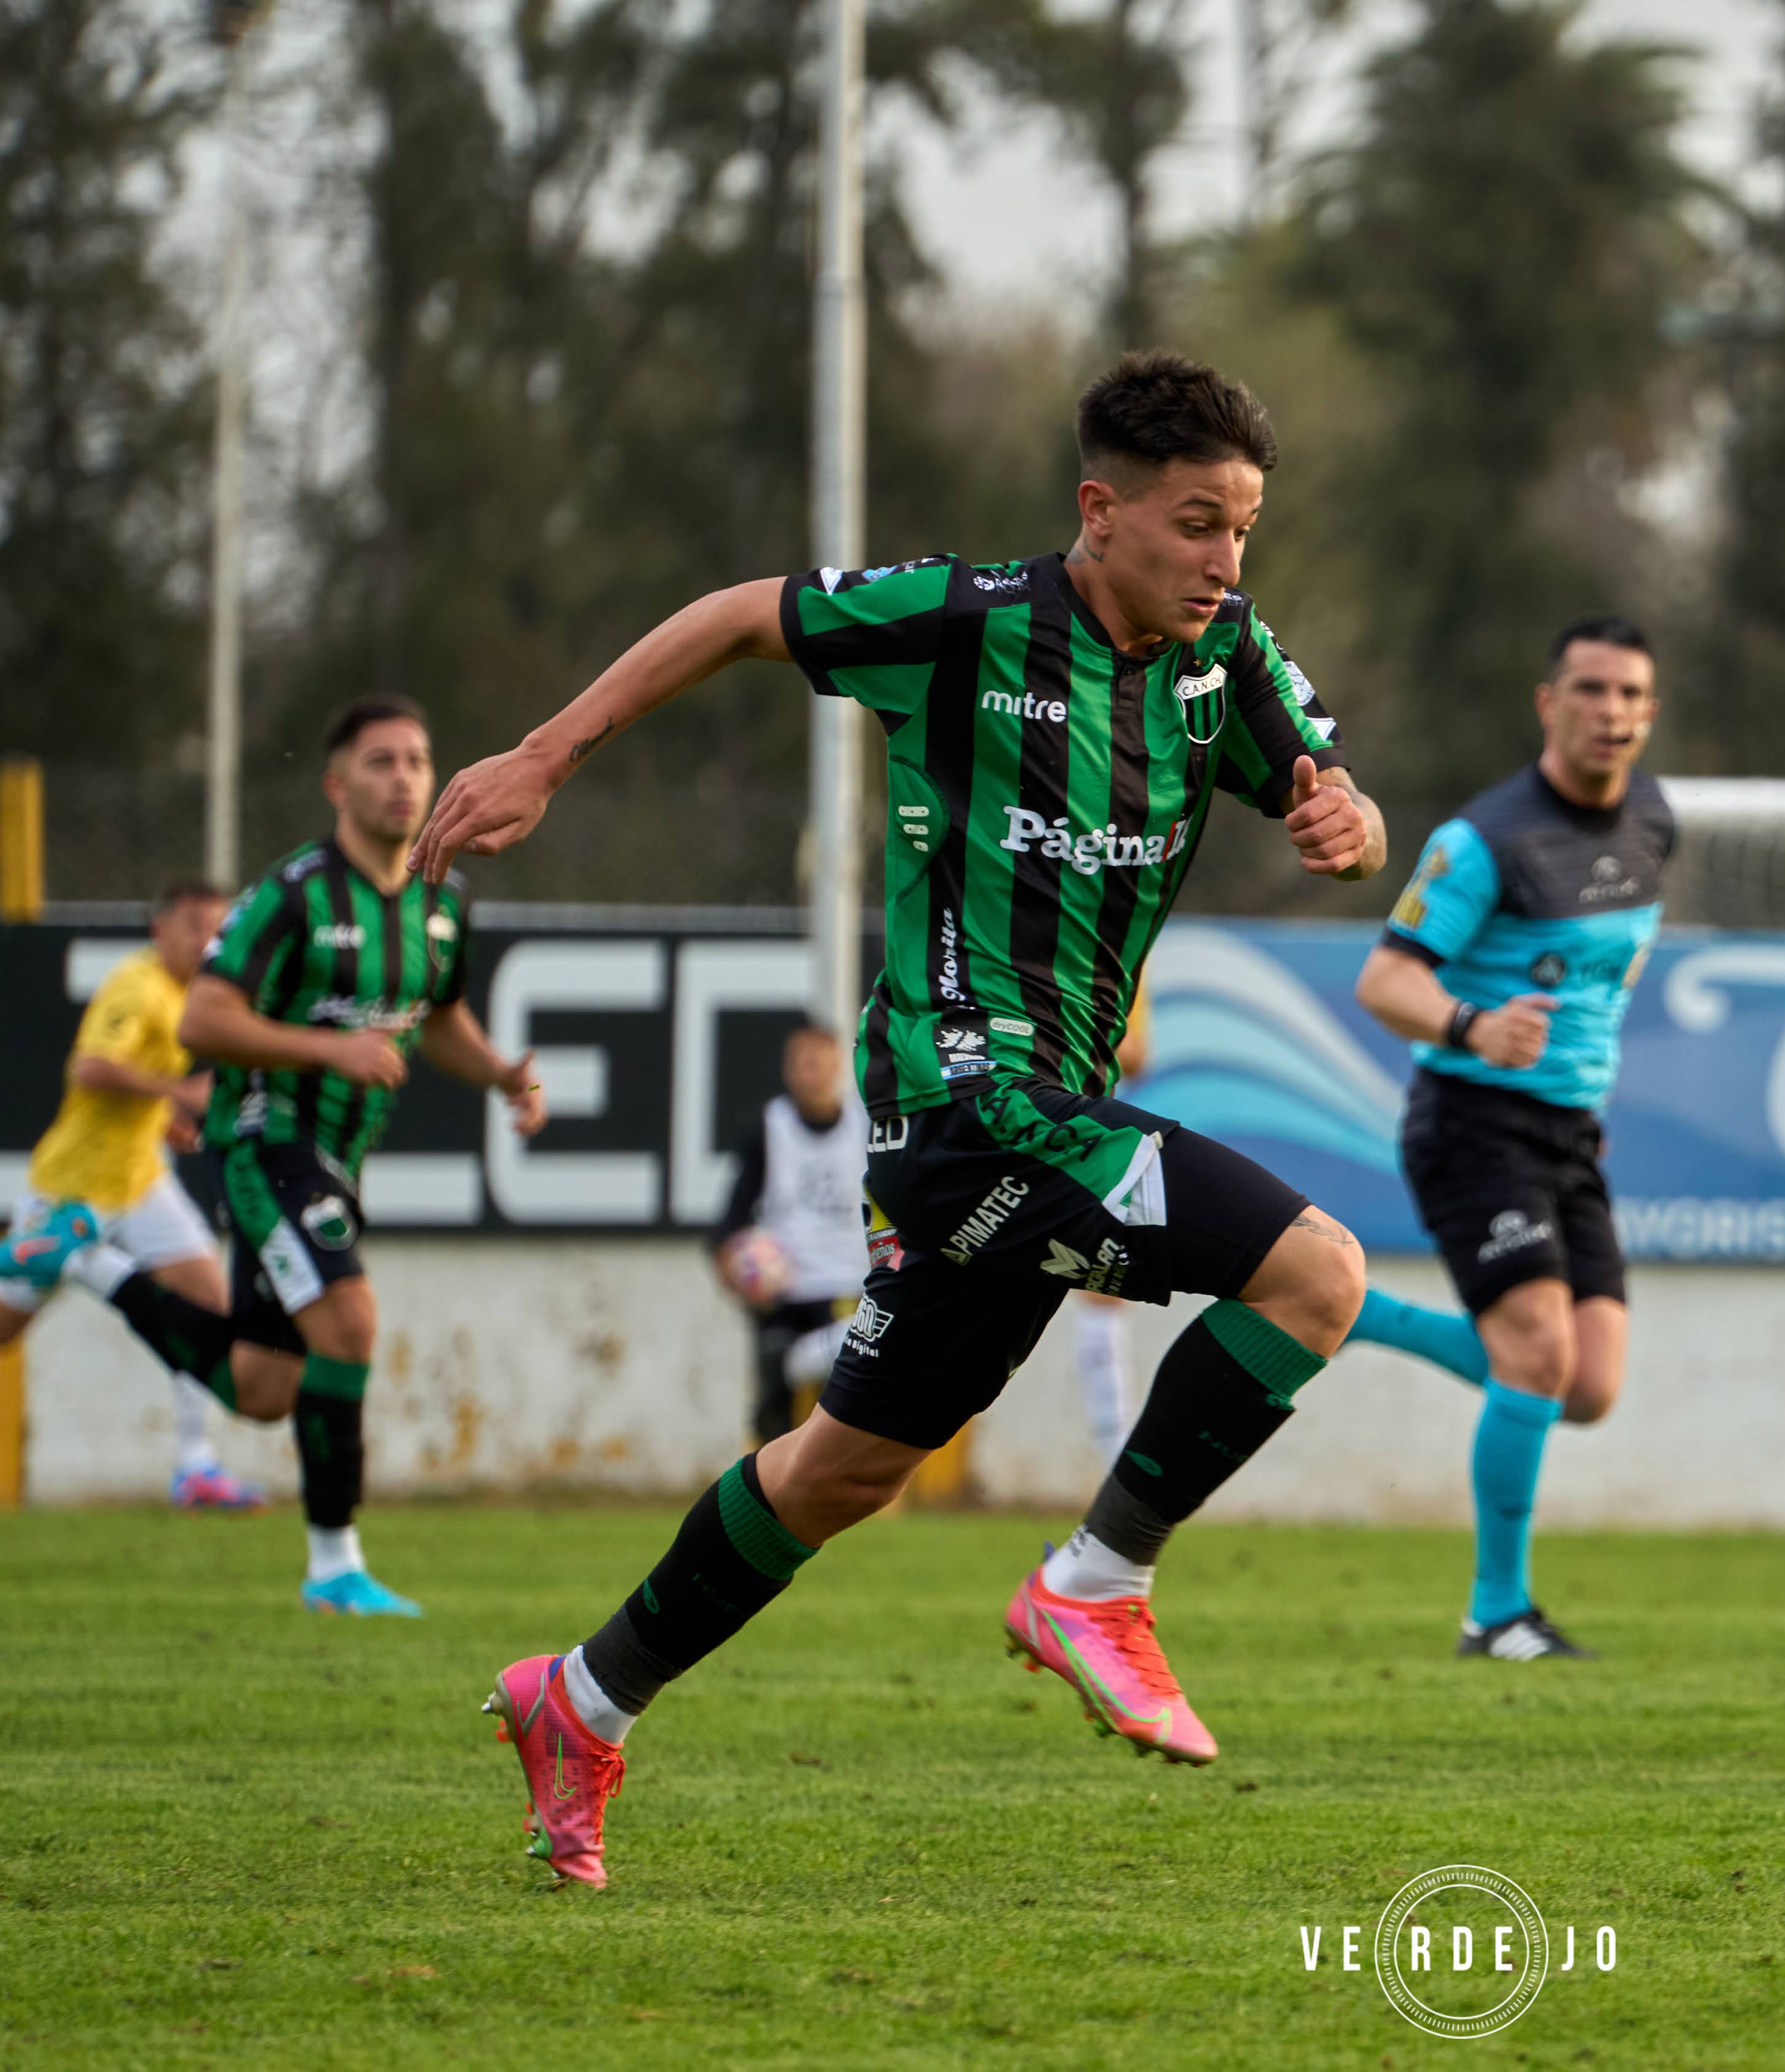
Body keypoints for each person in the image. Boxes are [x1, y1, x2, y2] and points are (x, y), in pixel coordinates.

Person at [413, 350, 1384, 1886]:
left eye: (1245, 528)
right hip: (961, 1096)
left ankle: (580, 1698)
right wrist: (545, 753)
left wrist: (1344, 815)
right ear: (1100, 508)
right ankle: (1095, 1580)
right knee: (1315, 1271)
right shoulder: (969, 618)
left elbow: (1337, 790)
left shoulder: (1227, 661)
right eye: (1198, 522)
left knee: (840, 1470)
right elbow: (744, 613)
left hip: (1039, 1107)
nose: (1224, 560)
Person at [10, 697, 551, 1614]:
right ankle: (334, 1566)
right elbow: (203, 1017)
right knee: (351, 1322)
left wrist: (499, 1073)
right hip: (269, 1141)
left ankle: (88, 1259)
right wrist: (326, 1048)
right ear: (338, 784)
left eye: (417, 760)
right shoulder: (292, 893)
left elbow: (438, 1016)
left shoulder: (441, 902)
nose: (404, 777)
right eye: (380, 762)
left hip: (343, 1152)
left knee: (263, 1387)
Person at [1348, 616, 1672, 1662]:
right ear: (1549, 703)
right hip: (1472, 1121)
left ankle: (1352, 1311)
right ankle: (1496, 1613)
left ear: (1649, 712)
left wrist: (1589, 1104)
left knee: (1588, 1387)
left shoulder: (1656, 823)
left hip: (1572, 1133)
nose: (1610, 712)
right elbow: (1384, 978)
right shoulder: (1484, 840)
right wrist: (1472, 1024)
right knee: (1534, 1353)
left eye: (1629, 695)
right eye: (1589, 690)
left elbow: (1595, 993)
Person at [0, 879, 263, 1508]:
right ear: (160, 930)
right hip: (75, 1189)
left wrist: (162, 1121)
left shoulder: (189, 993)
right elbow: (91, 1067)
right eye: (194, 926)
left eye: (217, 929)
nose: (208, 942)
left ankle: (197, 1468)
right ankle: (52, 1247)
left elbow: (132, 1083)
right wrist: (180, 1096)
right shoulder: (138, 985)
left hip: (141, 1182)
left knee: (211, 1309)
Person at [712, 1022, 870, 1450]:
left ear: (838, 1064)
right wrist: (731, 1264)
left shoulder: (867, 1128)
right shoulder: (769, 1128)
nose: (809, 1071)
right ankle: (765, 1494)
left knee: (844, 1410)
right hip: (785, 1292)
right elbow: (732, 1216)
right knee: (774, 1404)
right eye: (800, 1061)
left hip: (846, 1290)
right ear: (787, 1069)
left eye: (818, 1060)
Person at [1069, 982, 1153, 1460]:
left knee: (1104, 1291)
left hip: (1089, 1137)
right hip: (1011, 1132)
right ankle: (809, 1355)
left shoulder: (1119, 959)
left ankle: (1113, 1471)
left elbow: (1138, 1053)